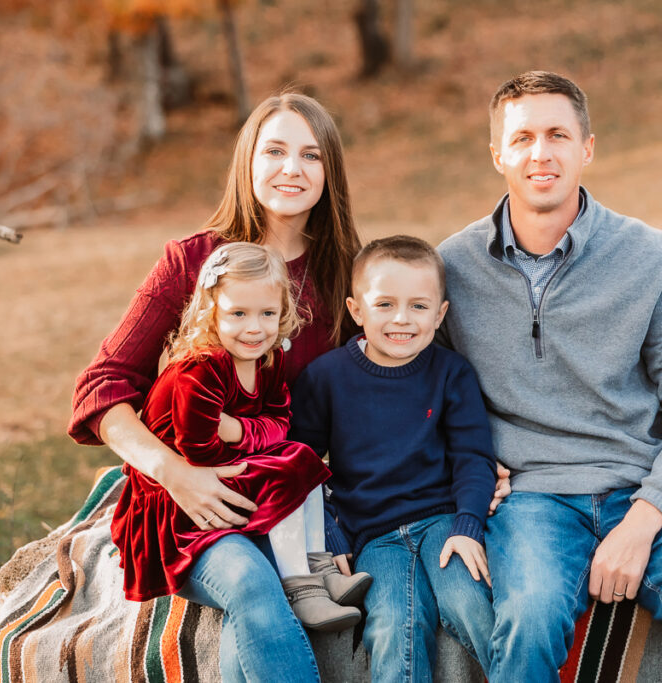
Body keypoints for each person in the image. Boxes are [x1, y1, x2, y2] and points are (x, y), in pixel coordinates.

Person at [436, 71, 662, 682]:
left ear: (587, 147)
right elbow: (407, 387)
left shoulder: (655, 260)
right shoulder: (450, 270)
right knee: (528, 622)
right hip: (532, 498)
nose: (541, 153)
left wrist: (643, 520)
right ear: (497, 154)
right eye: (523, 138)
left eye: (559, 135)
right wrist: (463, 467)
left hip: (651, 491)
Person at [70, 92, 362, 682]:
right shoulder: (193, 263)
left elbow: (397, 379)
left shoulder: (346, 274)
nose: (291, 169)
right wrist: (175, 473)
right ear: (247, 162)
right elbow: (100, 388)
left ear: (329, 170)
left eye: (310, 155)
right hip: (190, 498)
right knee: (253, 583)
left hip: (285, 495)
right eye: (274, 150)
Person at [110, 242, 370, 635]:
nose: (255, 327)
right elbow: (201, 452)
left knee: (302, 458)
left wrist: (237, 429)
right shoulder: (200, 371)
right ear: (211, 312)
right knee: (284, 470)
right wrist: (260, 444)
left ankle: (319, 566)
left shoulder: (268, 357)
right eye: (238, 314)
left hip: (223, 469)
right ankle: (301, 589)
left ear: (283, 312)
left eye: (267, 313)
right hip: (179, 496)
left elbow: (280, 421)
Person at [290, 236, 498, 682]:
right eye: (384, 304)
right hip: (374, 536)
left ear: (440, 314)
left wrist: (468, 525)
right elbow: (299, 465)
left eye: (419, 307)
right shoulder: (326, 378)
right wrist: (332, 534)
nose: (401, 319)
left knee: (471, 604)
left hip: (443, 524)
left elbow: (473, 457)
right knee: (393, 626)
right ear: (356, 310)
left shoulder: (450, 373)